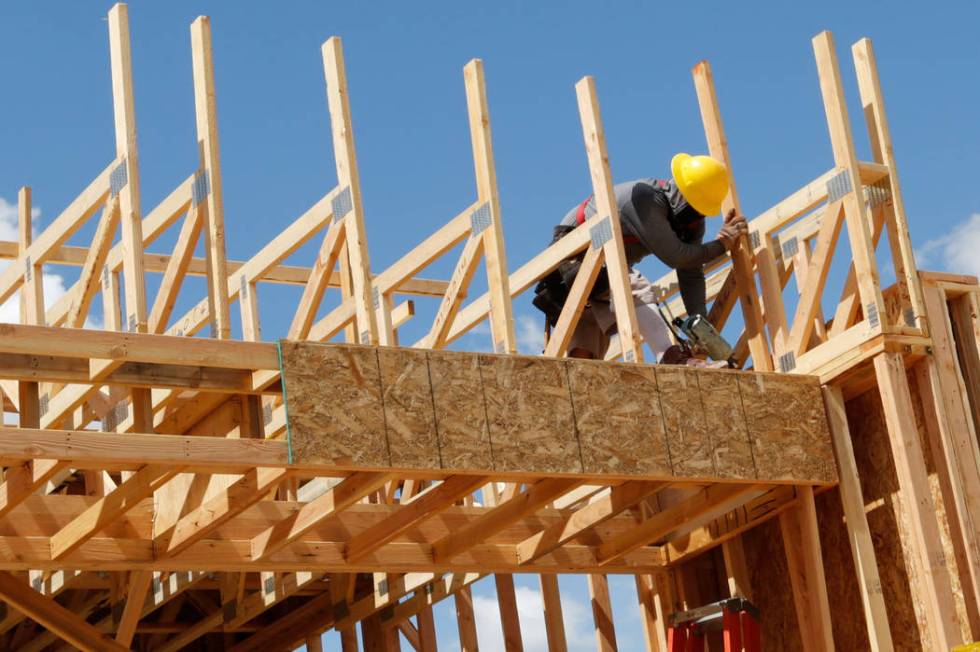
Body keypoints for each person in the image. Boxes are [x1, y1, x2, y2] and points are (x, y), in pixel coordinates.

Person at [533, 153, 748, 362]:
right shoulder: (643, 198)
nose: (696, 215)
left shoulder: (690, 221)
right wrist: (722, 245)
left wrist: (700, 328)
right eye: (692, 206)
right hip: (573, 253)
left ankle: (579, 382)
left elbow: (690, 271)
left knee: (590, 334)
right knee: (633, 288)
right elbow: (677, 257)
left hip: (603, 264)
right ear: (680, 192)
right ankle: (670, 356)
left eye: (699, 210)